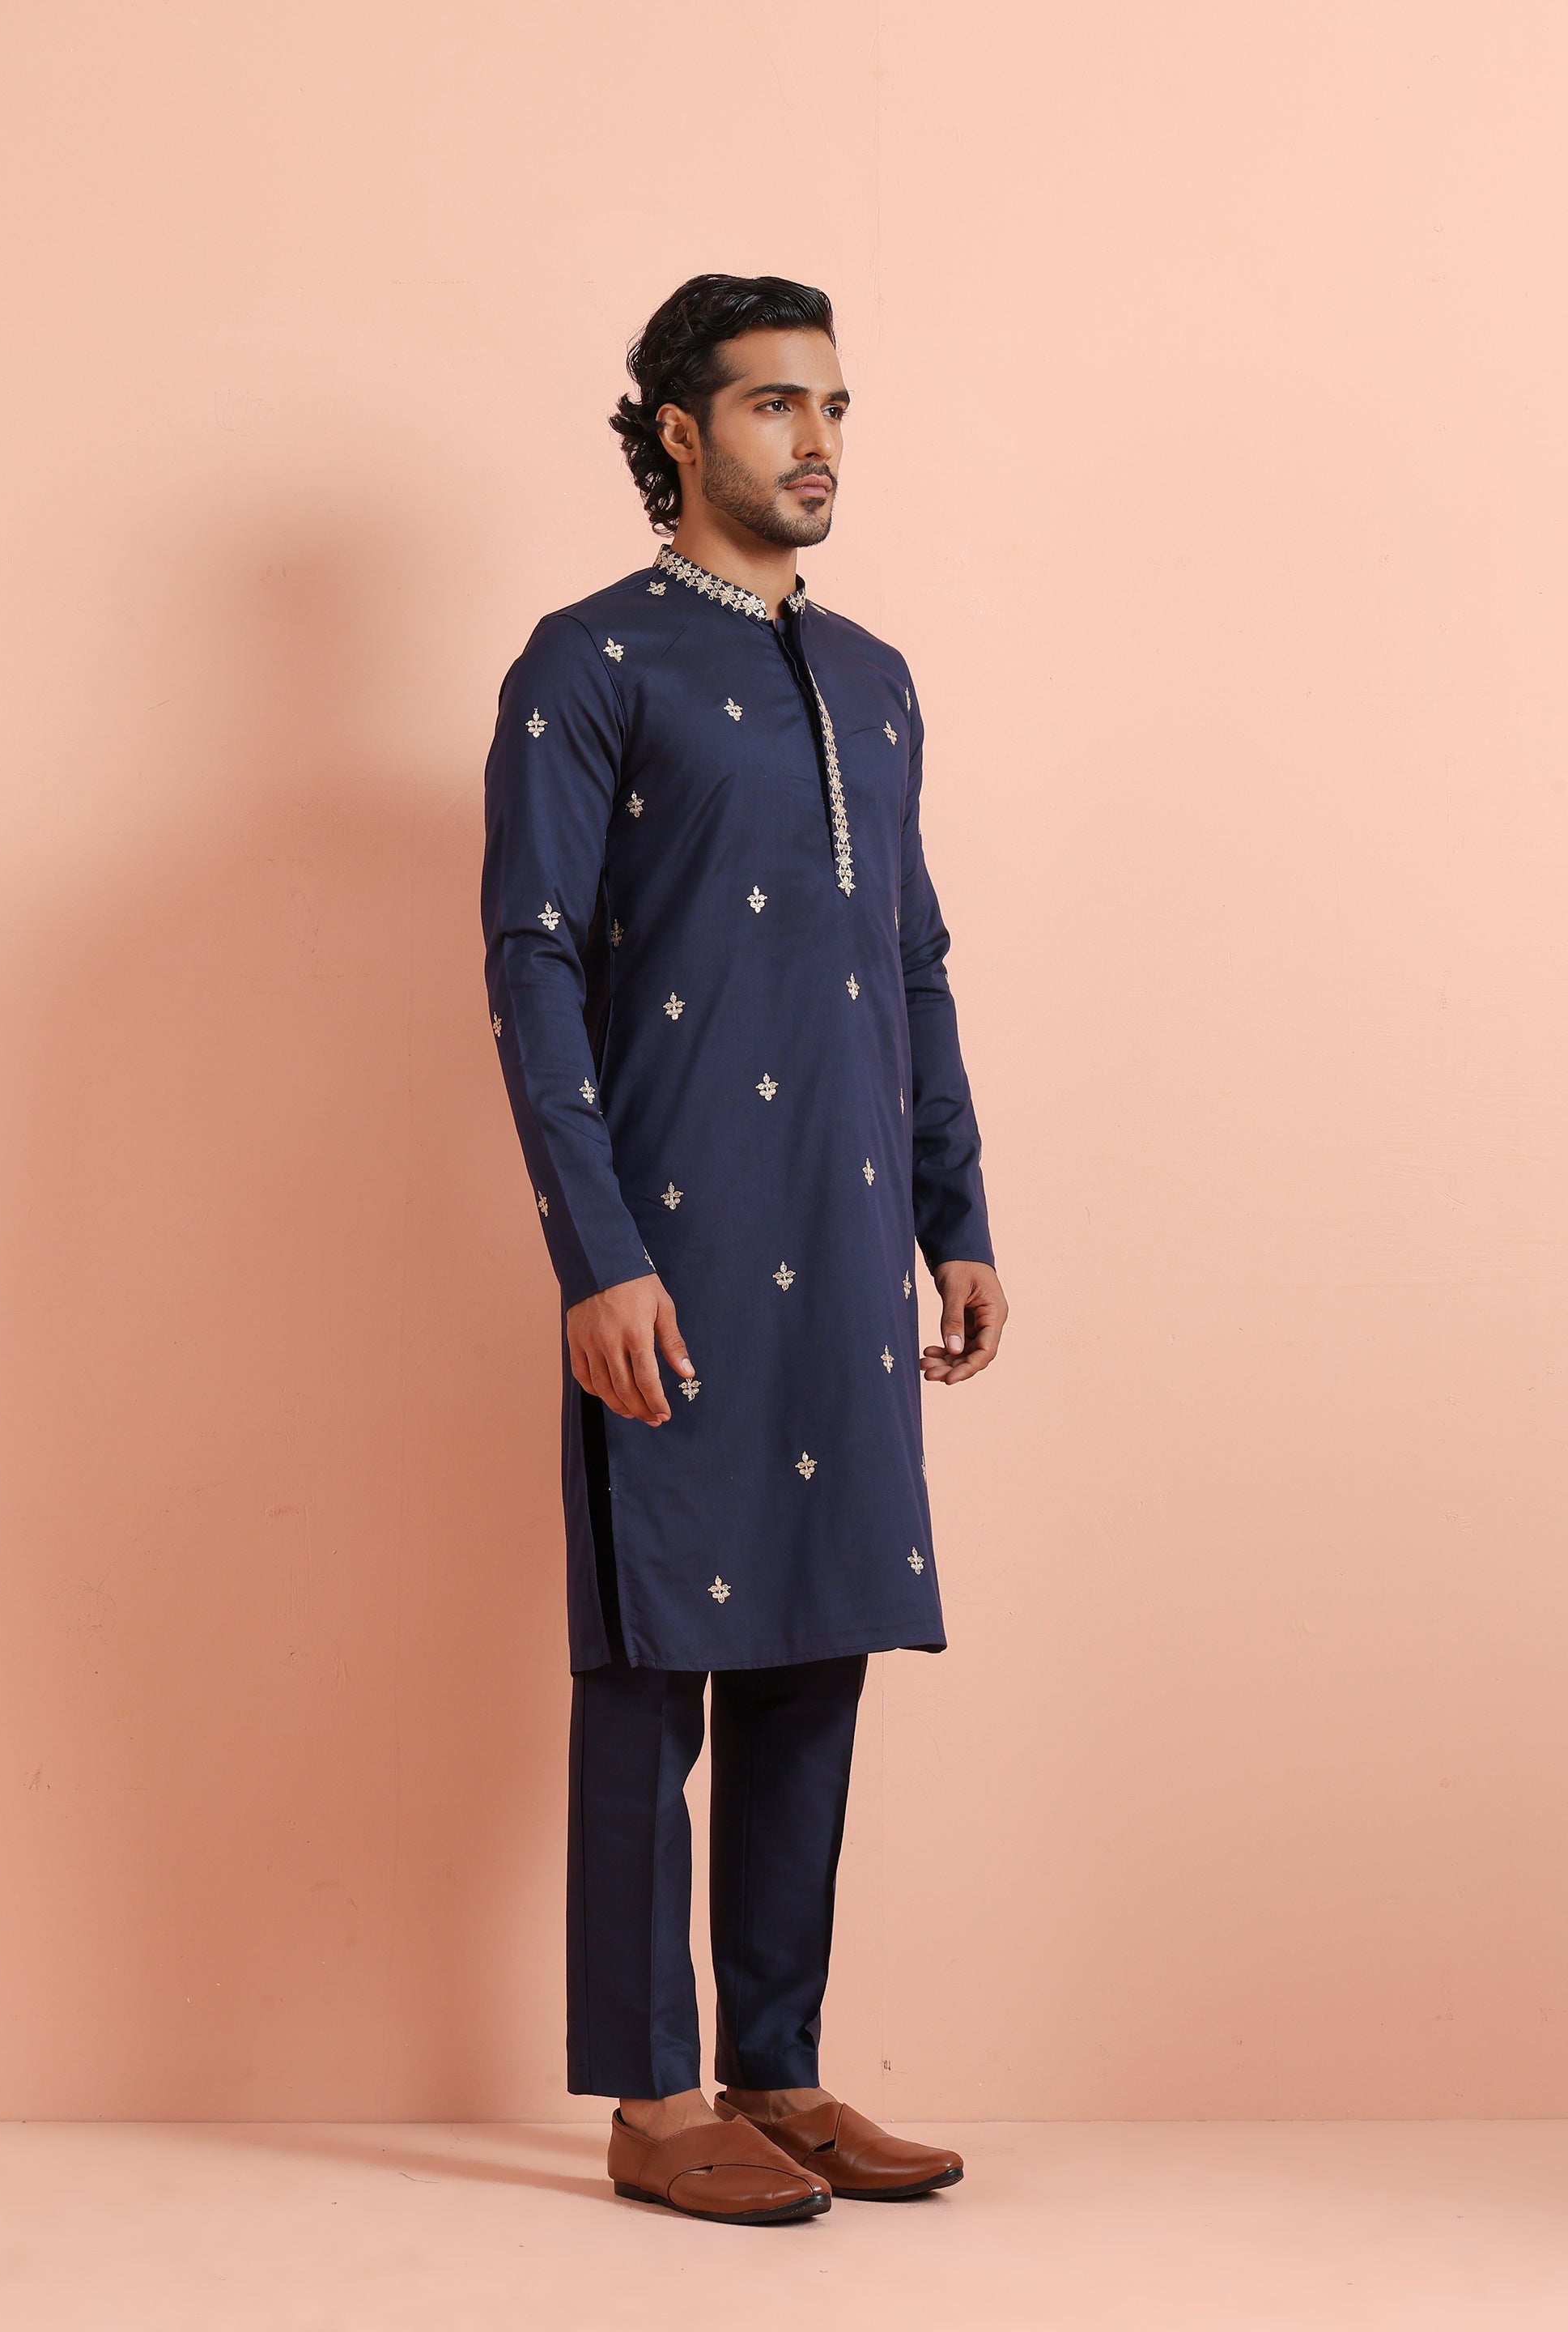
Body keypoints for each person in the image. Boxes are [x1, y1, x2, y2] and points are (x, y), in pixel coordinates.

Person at [480, 273, 1007, 2225]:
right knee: (654, 1660)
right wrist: (595, 1253)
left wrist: (954, 1215)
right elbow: (531, 965)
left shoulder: (873, 676)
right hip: (674, 1233)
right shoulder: (587, 664)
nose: (818, 440)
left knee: (815, 1641)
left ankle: (776, 2072)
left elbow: (912, 958)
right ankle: (648, 2097)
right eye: (779, 404)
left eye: (837, 407)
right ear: (680, 431)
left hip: (847, 1229)